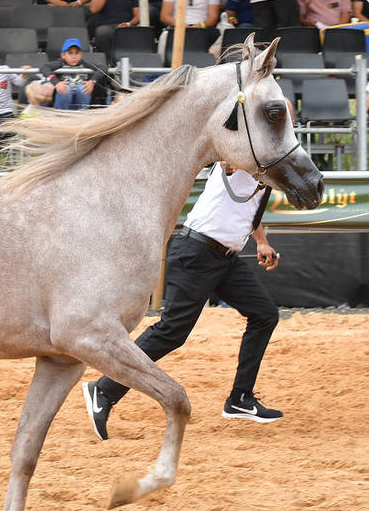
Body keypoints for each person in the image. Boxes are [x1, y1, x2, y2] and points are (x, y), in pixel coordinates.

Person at [82, 161, 285, 440]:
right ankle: (104, 389)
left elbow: (250, 208)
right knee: (171, 332)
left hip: (225, 258)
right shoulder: (237, 158)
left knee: (265, 314)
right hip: (197, 253)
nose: (291, 125)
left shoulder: (263, 169)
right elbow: (228, 163)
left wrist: (261, 241)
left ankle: (240, 398)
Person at [26, 37, 106, 111]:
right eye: (70, 53)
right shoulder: (60, 63)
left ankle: (82, 115)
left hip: (80, 98)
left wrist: (92, 81)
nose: (74, 57)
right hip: (64, 100)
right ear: (63, 55)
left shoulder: (84, 63)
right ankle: (61, 116)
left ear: (81, 55)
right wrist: (56, 83)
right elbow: (44, 67)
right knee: (66, 89)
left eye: (76, 53)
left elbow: (103, 68)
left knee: (82, 88)